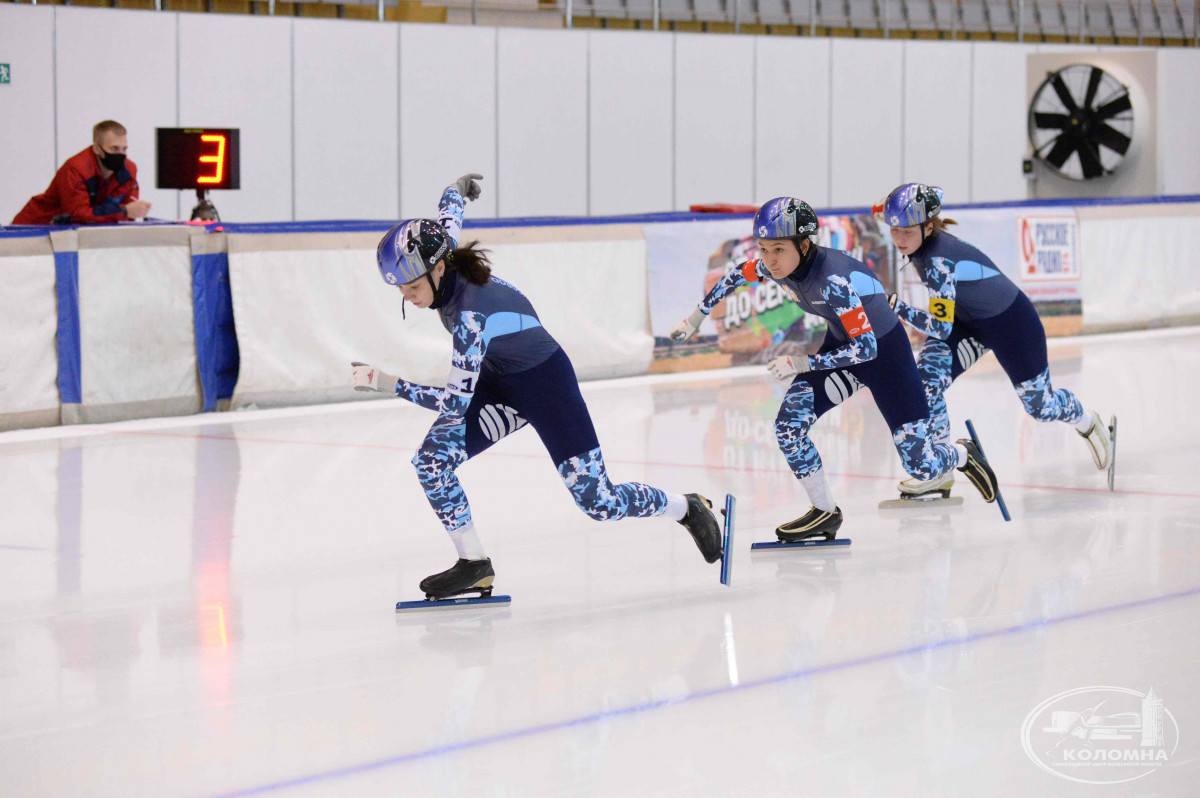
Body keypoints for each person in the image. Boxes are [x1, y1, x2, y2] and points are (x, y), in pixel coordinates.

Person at [352, 174, 724, 601]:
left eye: (413, 286)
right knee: (432, 463)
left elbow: (454, 405)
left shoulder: (471, 319)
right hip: (498, 381)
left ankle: (687, 507)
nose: (407, 295)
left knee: (598, 502)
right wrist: (457, 189)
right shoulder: (442, 251)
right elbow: (448, 215)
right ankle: (474, 564)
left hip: (546, 385)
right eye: (400, 287)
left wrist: (387, 383)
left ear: (439, 269)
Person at [670, 197, 999, 542]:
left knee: (922, 465)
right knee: (788, 426)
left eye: (778, 249)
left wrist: (803, 363)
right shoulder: (773, 266)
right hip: (843, 348)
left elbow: (867, 348)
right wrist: (696, 318)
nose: (769, 260)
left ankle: (963, 453)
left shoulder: (834, 282)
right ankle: (825, 512)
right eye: (764, 249)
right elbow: (735, 276)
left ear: (805, 243)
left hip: (885, 359)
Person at [875, 183, 1110, 500]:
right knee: (926, 381)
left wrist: (897, 307)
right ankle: (941, 469)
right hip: (967, 323)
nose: (899, 238)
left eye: (907, 230)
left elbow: (940, 329)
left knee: (1040, 406)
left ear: (928, 227)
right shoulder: (921, 244)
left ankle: (1087, 420)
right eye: (894, 230)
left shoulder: (938, 261)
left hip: (1012, 325)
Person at [12, 120, 151, 225]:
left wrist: (135, 210)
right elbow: (79, 214)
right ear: (97, 148)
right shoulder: (76, 169)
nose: (121, 154)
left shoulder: (129, 169)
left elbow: (128, 209)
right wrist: (124, 211)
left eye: (124, 149)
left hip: (76, 232)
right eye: (114, 148)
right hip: (37, 226)